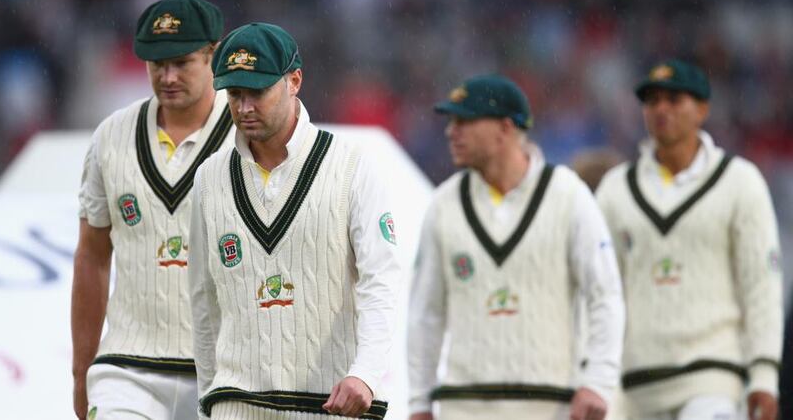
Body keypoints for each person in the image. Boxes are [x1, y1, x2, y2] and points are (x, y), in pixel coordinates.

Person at [187, 22, 401, 419]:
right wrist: (207, 400)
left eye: (257, 92)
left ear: (294, 81)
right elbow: (204, 302)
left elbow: (381, 279)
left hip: (333, 404)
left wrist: (367, 374)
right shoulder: (208, 177)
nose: (245, 107)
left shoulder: (351, 165)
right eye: (234, 94)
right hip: (237, 404)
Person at [408, 74, 625, 420]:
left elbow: (605, 294)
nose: (451, 132)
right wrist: (419, 401)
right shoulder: (443, 205)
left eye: (464, 121)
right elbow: (426, 313)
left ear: (505, 129)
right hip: (463, 406)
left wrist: (597, 381)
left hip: (549, 405)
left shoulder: (568, 196)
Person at [71, 0, 231, 420]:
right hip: (128, 367)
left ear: (214, 54)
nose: (167, 75)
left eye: (181, 62)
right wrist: (80, 370)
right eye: (156, 63)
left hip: (228, 372)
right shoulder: (110, 137)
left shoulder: (248, 139)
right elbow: (92, 257)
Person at [596, 59, 782, 420]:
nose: (661, 109)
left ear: (702, 109)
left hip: (713, 379)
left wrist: (764, 372)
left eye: (674, 99)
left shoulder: (739, 183)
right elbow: (601, 292)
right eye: (652, 101)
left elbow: (761, 284)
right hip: (635, 384)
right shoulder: (616, 191)